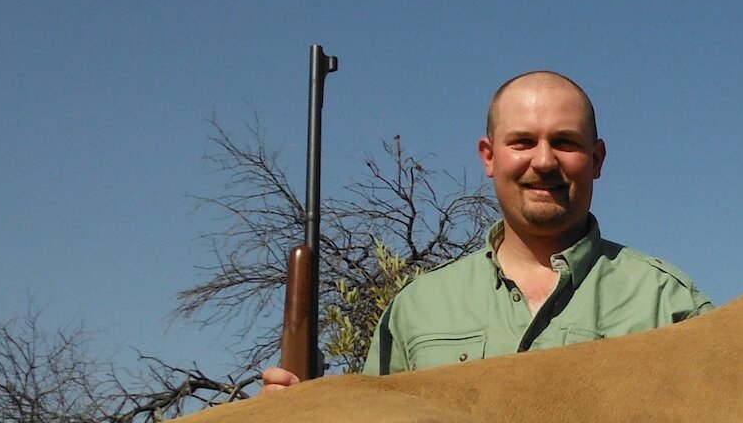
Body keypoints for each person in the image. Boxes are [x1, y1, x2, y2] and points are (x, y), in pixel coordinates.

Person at [260, 70, 709, 390]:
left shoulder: (666, 302)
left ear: (596, 160)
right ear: (489, 157)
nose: (545, 160)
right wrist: (304, 417)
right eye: (523, 142)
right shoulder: (419, 308)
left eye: (565, 142)